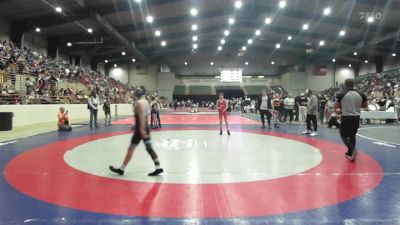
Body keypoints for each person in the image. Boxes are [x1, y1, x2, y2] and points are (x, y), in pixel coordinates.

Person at [109, 87, 164, 176]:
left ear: (136, 95)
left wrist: (140, 129)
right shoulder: (146, 102)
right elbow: (144, 116)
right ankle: (158, 167)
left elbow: (141, 115)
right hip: (146, 128)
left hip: (140, 131)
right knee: (149, 148)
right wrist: (140, 127)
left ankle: (121, 169)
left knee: (131, 149)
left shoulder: (138, 103)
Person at [336, 79, 368, 162]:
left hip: (346, 117)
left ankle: (353, 149)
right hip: (356, 118)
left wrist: (340, 111)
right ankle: (351, 154)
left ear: (345, 85)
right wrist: (355, 106)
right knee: (352, 135)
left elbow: (337, 107)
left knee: (343, 134)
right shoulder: (361, 94)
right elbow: (365, 106)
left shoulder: (341, 94)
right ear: (353, 85)